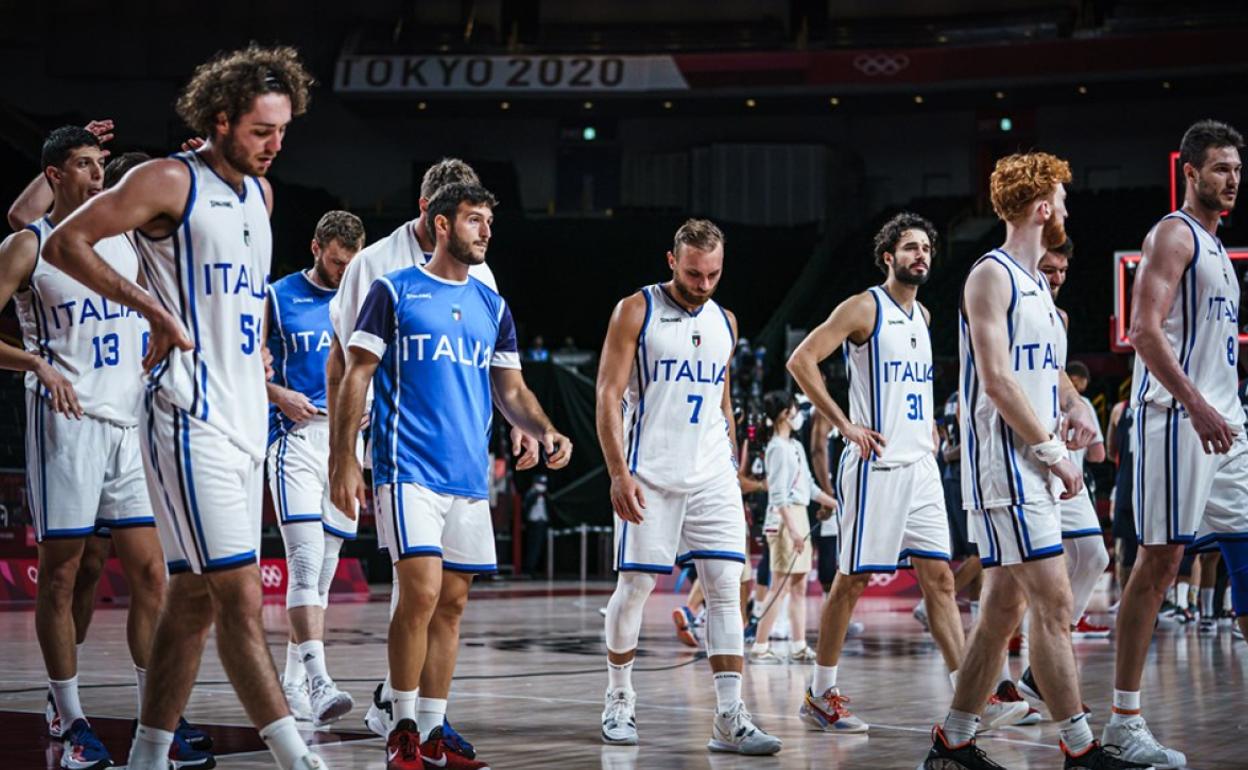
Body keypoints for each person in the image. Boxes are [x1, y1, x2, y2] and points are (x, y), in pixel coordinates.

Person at [43, 45, 326, 770]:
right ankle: (298, 756)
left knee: (192, 599)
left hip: (243, 423)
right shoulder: (168, 179)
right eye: (262, 130)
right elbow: (69, 240)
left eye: (284, 129)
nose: (275, 144)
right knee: (238, 600)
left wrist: (252, 352)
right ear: (221, 120)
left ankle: (147, 753)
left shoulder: (262, 198)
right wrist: (152, 310)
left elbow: (236, 300)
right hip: (185, 417)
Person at [329, 182, 571, 770]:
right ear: (441, 225)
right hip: (406, 465)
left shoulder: (493, 305)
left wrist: (544, 429)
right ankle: (401, 726)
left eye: (489, 220)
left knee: (453, 605)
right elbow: (356, 374)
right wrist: (342, 459)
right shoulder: (392, 289)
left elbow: (510, 390)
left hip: (466, 474)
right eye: (473, 220)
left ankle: (434, 734)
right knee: (420, 592)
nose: (485, 230)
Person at [920, 152, 1141, 770]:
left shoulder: (1040, 284)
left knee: (1000, 613)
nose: (1068, 210)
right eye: (1063, 200)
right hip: (1007, 468)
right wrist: (1051, 449)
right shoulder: (988, 276)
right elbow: (995, 381)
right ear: (1043, 208)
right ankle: (1079, 748)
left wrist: (1075, 406)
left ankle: (953, 742)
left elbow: (1043, 376)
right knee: (1055, 604)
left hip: (1037, 464)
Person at [0, 126, 199, 770]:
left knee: (150, 573)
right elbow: (21, 215)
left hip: (130, 421)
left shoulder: (125, 238)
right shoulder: (26, 246)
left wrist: (195, 164)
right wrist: (36, 363)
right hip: (67, 420)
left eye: (102, 164)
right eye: (84, 165)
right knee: (63, 573)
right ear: (56, 175)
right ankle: (69, 713)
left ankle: (156, 719)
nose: (98, 175)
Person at [787, 212, 1026, 736]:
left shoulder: (923, 317)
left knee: (940, 579)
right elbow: (801, 360)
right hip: (877, 465)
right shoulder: (863, 308)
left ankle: (971, 696)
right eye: (911, 248)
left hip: (920, 465)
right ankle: (821, 693)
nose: (921, 256)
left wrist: (932, 432)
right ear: (887, 256)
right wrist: (845, 424)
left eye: (927, 249)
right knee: (850, 581)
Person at [596, 219, 782, 755]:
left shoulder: (726, 320)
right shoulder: (637, 309)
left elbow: (721, 396)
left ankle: (728, 716)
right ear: (671, 260)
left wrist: (729, 460)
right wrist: (616, 471)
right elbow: (608, 396)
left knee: (728, 587)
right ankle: (619, 697)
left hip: (710, 475)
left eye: (714, 274)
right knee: (635, 588)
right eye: (695, 273)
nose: (704, 283)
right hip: (648, 472)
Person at [1108, 119, 1248, 768]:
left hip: (1227, 426)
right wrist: (1197, 405)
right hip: (1176, 420)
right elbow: (1143, 329)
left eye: (1238, 169)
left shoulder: (1221, 251)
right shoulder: (1175, 233)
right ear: (1190, 173)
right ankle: (1123, 721)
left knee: (1245, 554)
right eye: (1220, 168)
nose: (1233, 180)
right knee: (1159, 564)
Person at [266, 210, 365, 726]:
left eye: (352, 263)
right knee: (304, 564)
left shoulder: (364, 300)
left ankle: (293, 680)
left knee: (322, 573)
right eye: (335, 262)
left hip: (347, 444)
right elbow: (239, 362)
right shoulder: (277, 297)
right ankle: (321, 680)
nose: (343, 271)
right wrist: (276, 393)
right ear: (315, 247)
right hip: (294, 440)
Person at [1035, 243, 1113, 641]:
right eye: (1049, 270)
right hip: (1023, 449)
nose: (1058, 279)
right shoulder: (1005, 301)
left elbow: (1057, 373)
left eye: (1063, 271)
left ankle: (1055, 639)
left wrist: (1077, 404)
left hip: (1060, 450)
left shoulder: (1060, 318)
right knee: (1009, 574)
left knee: (1094, 555)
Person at [747, 391, 838, 664]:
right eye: (795, 409)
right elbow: (777, 495)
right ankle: (760, 645)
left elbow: (808, 486)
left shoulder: (795, 446)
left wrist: (833, 502)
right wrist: (794, 530)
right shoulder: (775, 448)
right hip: (783, 519)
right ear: (785, 413)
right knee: (779, 587)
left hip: (799, 514)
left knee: (799, 587)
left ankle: (799, 645)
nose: (798, 415)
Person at [522, 475, 551, 576]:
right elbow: (526, 506)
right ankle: (529, 568)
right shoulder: (531, 493)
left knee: (539, 547)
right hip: (533, 522)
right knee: (532, 547)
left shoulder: (545, 495)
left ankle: (535, 568)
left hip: (542, 522)